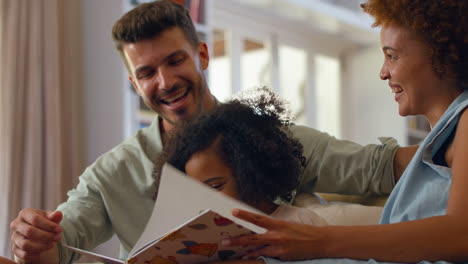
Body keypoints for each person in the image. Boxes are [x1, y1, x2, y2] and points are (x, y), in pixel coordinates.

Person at [9, 1, 414, 264]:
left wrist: (455, 138)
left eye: (175, 61)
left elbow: (375, 167)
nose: (165, 82)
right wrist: (35, 238)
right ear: (134, 84)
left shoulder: (267, 137)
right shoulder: (111, 173)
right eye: (147, 73)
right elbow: (60, 246)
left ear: (202, 55)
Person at [222, 0, 468, 263]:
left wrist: (319, 242)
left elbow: (461, 234)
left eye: (392, 56)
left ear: (439, 53)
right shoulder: (442, 137)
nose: (383, 73)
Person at [154, 88, 327, 226]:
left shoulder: (303, 224)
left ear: (252, 172)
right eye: (197, 193)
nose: (204, 202)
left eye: (215, 187)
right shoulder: (209, 237)